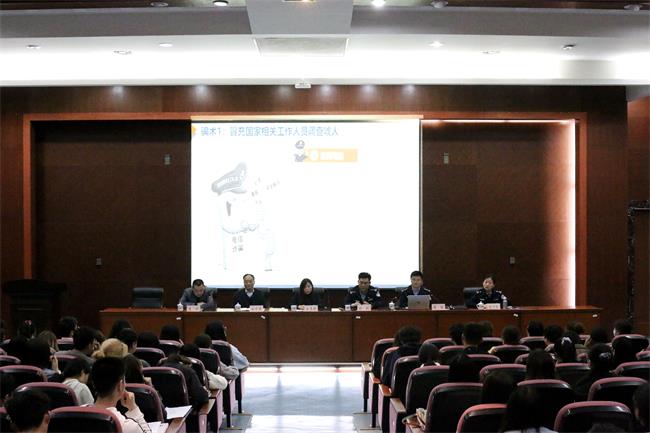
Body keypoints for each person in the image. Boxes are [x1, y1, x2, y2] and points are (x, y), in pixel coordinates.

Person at [91, 357, 152, 433]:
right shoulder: (126, 426)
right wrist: (134, 409)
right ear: (120, 385)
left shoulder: (78, 413)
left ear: (93, 384)